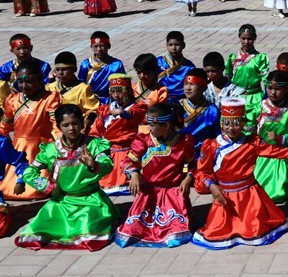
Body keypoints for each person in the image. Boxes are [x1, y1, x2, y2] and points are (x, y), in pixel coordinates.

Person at [192, 98, 288, 250]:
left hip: (250, 197)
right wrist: (211, 186)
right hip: (224, 196)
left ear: (243, 123)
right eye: (227, 123)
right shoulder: (212, 145)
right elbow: (202, 172)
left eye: (236, 123)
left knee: (254, 228)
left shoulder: (252, 142)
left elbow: (276, 152)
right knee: (217, 231)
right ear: (221, 123)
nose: (231, 128)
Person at [14, 104, 118, 251]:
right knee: (40, 225)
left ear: (82, 123)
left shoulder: (94, 145)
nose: (71, 128)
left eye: (75, 124)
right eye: (66, 125)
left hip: (90, 200)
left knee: (88, 224)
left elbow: (107, 165)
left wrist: (93, 164)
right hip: (61, 201)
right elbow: (29, 172)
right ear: (59, 127)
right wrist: (47, 186)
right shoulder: (51, 150)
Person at [114, 103, 196, 248]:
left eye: (152, 125)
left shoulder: (184, 141)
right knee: (133, 230)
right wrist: (133, 173)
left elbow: (189, 165)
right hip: (149, 193)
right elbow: (128, 161)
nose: (149, 128)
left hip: (172, 193)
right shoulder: (143, 140)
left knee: (174, 231)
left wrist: (187, 177)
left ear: (166, 125)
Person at [0, 60, 61, 200]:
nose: (24, 86)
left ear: (39, 80)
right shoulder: (12, 100)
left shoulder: (49, 98)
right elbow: (5, 126)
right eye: (20, 81)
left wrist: (61, 142)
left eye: (29, 81)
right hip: (19, 146)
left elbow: (56, 124)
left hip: (41, 146)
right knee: (8, 185)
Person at [243, 71, 288, 204]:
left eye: (277, 89)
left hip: (283, 156)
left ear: (286, 88)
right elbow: (247, 132)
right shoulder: (257, 108)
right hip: (261, 157)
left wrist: (281, 138)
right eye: (270, 88)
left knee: (281, 191)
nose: (273, 92)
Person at [90, 74, 147, 195]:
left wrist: (122, 113)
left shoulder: (138, 107)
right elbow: (96, 131)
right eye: (113, 91)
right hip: (109, 151)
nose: (116, 95)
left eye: (120, 91)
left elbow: (136, 114)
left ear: (128, 91)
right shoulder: (105, 109)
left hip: (129, 152)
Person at [49, 51, 100, 126]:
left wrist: (86, 123)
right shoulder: (50, 87)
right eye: (57, 69)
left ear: (74, 69)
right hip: (53, 129)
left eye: (64, 69)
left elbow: (93, 110)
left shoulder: (83, 88)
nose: (60, 73)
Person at [179, 68, 220, 157]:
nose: (188, 88)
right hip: (179, 154)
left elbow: (217, 137)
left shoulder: (212, 110)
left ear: (204, 88)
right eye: (185, 84)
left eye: (192, 84)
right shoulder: (177, 107)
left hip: (203, 156)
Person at [78, 32, 126, 104]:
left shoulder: (116, 64)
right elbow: (81, 84)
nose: (99, 49)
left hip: (110, 101)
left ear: (108, 46)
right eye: (95, 46)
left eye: (102, 46)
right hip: (90, 100)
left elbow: (123, 85)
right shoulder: (86, 64)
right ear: (91, 47)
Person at [225, 24, 270, 100]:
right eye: (243, 38)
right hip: (236, 97)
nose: (246, 42)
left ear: (255, 38)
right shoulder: (232, 57)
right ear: (239, 38)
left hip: (255, 97)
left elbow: (266, 81)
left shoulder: (260, 58)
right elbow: (227, 79)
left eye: (249, 39)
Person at [157, 31, 196, 105]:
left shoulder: (189, 67)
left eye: (177, 45)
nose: (174, 48)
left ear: (183, 45)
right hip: (161, 99)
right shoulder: (159, 62)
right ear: (166, 45)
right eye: (170, 45)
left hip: (181, 102)